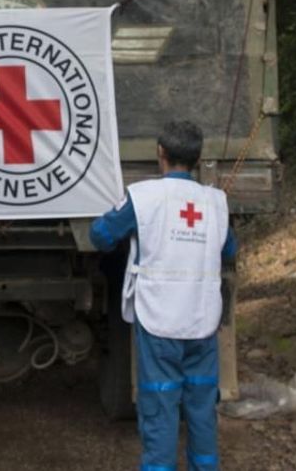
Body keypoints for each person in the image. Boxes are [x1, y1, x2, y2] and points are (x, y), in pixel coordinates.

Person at [90, 120, 238, 471]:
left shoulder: (143, 197)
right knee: (202, 410)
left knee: (159, 408)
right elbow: (228, 248)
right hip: (202, 322)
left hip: (159, 322)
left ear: (161, 154)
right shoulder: (215, 201)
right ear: (198, 158)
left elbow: (100, 235)